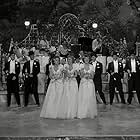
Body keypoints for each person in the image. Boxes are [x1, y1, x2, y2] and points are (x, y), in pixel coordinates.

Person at [77, 55, 97, 119]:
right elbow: (81, 76)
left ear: (89, 59)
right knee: (83, 97)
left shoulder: (92, 66)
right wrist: (84, 75)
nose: (86, 60)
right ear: (83, 59)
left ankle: (90, 112)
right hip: (83, 83)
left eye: (87, 58)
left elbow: (92, 76)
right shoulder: (81, 66)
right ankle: (83, 112)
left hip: (90, 83)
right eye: (85, 59)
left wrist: (89, 76)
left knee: (90, 97)